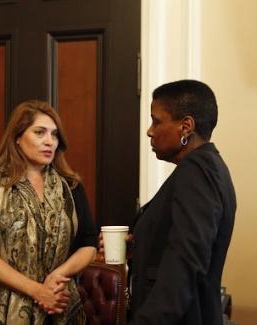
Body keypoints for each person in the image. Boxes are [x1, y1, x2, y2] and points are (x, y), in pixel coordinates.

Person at [100, 80, 236, 325]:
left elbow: (185, 263)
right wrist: (139, 246)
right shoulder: (205, 168)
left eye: (156, 120)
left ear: (186, 127)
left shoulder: (197, 171)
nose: (150, 131)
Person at [0, 100, 97, 325]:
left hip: (62, 305)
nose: (49, 142)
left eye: (54, 135)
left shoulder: (71, 185)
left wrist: (57, 276)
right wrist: (36, 290)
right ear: (17, 137)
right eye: (39, 132)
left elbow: (89, 245)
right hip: (6, 311)